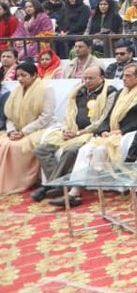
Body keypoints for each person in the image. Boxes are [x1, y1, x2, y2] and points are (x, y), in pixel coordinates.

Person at [30, 66, 116, 197]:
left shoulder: (110, 92)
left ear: (102, 78)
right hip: (72, 130)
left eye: (91, 78)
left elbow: (104, 119)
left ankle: (50, 186)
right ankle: (59, 184)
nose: (87, 81)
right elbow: (68, 115)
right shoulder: (79, 92)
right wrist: (66, 130)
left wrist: (80, 133)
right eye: (85, 78)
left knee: (71, 150)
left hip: (91, 133)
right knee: (41, 149)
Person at [0, 61, 55, 193]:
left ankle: (19, 182)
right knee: (3, 142)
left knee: (17, 146)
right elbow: (10, 116)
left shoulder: (46, 89)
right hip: (18, 130)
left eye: (24, 75)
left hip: (41, 129)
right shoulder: (16, 91)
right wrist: (12, 131)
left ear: (34, 75)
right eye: (18, 76)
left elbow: (45, 117)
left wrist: (23, 132)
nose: (20, 79)